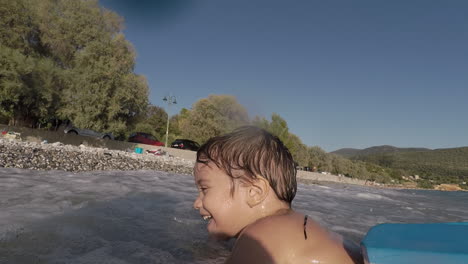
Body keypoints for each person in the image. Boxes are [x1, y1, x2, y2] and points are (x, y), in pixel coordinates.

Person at [193, 126, 362, 264]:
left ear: (254, 192)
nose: (197, 203)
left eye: (204, 189)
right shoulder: (295, 227)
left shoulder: (261, 235)